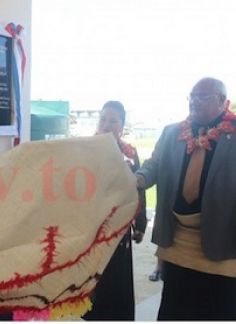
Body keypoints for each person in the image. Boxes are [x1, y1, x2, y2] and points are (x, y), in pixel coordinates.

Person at [136, 77, 236, 320]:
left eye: (203, 97)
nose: (194, 101)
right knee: (175, 308)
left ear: (222, 101)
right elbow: (154, 165)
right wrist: (137, 179)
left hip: (224, 241)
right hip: (178, 241)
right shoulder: (172, 132)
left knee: (218, 310)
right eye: (191, 96)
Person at [82, 101, 147, 321]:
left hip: (120, 232)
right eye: (103, 119)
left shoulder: (130, 153)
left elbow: (139, 189)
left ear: (122, 126)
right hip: (92, 232)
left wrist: (140, 223)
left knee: (117, 281)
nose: (106, 124)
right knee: (93, 284)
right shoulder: (83, 150)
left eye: (113, 120)